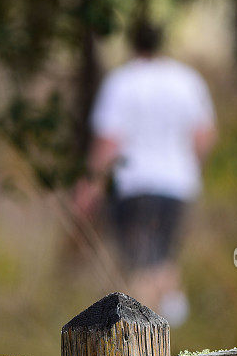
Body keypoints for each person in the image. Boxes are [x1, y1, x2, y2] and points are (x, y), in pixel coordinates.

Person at [75, 19, 217, 325]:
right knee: (163, 262)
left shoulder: (122, 82)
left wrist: (90, 185)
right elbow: (204, 135)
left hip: (133, 186)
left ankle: (140, 346)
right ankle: (171, 336)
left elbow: (108, 142)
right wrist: (189, 167)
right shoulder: (187, 80)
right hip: (177, 186)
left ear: (132, 43)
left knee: (139, 268)